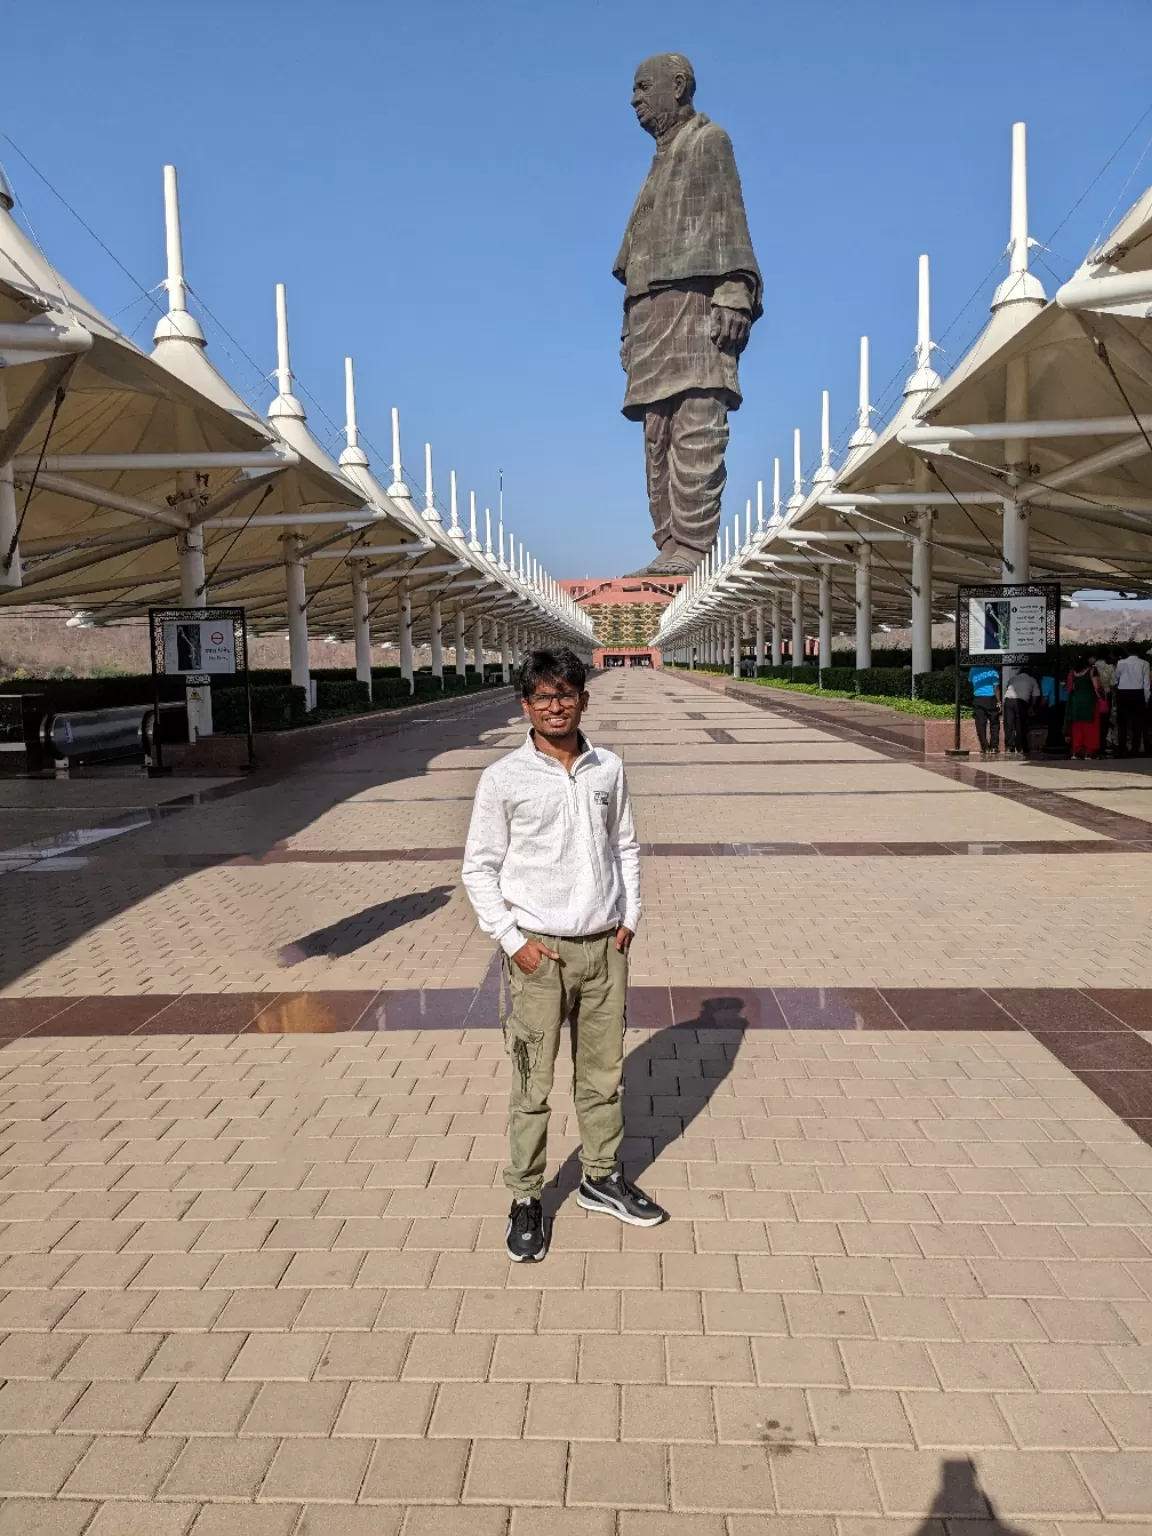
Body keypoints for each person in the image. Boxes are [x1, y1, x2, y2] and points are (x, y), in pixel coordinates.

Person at [462, 649, 666, 1264]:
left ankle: (600, 1178)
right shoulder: (503, 778)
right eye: (543, 697)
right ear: (525, 705)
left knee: (604, 1078)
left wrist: (628, 917)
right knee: (533, 1082)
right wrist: (513, 942)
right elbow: (478, 868)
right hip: (539, 956)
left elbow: (624, 844)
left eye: (566, 694)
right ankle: (526, 1197)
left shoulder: (608, 768)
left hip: (606, 950)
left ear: (584, 699)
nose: (556, 706)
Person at [615, 53, 762, 574]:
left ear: (676, 86)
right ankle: (670, 544)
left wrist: (733, 292)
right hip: (651, 315)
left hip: (696, 307)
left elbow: (730, 221)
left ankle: (695, 546)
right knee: (657, 435)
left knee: (697, 424)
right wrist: (630, 328)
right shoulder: (658, 162)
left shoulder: (708, 141)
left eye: (642, 87)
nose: (634, 99)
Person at [1113, 642, 1150, 757]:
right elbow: (1146, 683)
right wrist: (1146, 698)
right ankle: (1135, 749)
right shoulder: (1145, 664)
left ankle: (1121, 749)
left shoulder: (1121, 663)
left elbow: (1116, 677)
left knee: (1122, 723)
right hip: (1137, 693)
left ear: (1127, 651)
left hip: (1123, 693)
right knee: (1137, 724)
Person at [1065, 658, 1104, 759]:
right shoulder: (1092, 670)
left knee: (1077, 727)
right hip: (1089, 701)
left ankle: (1077, 752)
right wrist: (1102, 697)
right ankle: (1090, 752)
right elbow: (1097, 686)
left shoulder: (1072, 672)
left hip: (1076, 702)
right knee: (1091, 727)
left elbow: (1069, 688)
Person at [1003, 666, 1041, 756]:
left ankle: (1009, 747)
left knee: (1009, 724)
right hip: (1021, 702)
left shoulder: (1013, 678)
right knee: (1021, 724)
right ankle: (1021, 747)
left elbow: (1007, 688)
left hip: (1008, 701)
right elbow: (1036, 695)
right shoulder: (1032, 680)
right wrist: (1032, 707)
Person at [968, 662, 1002, 756]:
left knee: (980, 724)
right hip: (991, 699)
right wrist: (999, 702)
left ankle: (985, 747)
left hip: (978, 698)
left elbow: (971, 682)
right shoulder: (993, 671)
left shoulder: (973, 669)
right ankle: (994, 747)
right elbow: (996, 688)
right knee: (994, 723)